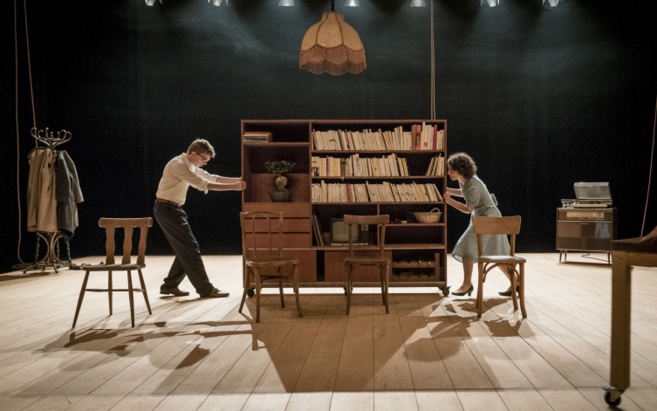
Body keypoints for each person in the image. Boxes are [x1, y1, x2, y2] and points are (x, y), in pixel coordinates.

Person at [154, 138, 246, 298]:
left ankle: (169, 285)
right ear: (193, 154)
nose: (205, 163)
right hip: (167, 209)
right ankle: (206, 289)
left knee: (186, 249)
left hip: (173, 208)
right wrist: (234, 187)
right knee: (190, 248)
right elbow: (203, 184)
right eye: (204, 159)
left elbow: (211, 177)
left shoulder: (190, 165)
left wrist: (238, 179)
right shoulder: (178, 165)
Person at [443, 152, 515, 297]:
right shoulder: (465, 181)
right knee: (496, 252)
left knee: (467, 246)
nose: (449, 172)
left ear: (461, 170)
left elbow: (467, 209)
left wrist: (449, 201)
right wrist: (447, 190)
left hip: (489, 219)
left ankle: (467, 284)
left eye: (451, 170)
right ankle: (516, 282)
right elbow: (465, 193)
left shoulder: (473, 185)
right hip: (483, 218)